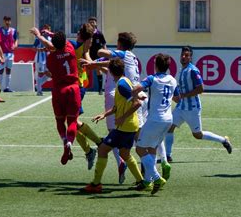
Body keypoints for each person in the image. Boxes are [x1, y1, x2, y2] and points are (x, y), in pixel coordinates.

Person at [82, 32, 141, 184]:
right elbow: (106, 67)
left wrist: (93, 52)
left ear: (121, 44)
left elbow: (102, 55)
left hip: (117, 95)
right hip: (132, 95)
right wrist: (93, 62)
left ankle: (118, 165)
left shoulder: (122, 55)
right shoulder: (131, 59)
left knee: (111, 138)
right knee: (138, 140)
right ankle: (147, 173)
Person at [165, 46, 232, 165]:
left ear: (190, 57)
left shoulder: (193, 70)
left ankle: (223, 140)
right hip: (181, 107)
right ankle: (168, 156)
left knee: (198, 135)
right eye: (183, 55)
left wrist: (184, 96)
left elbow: (201, 89)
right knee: (169, 128)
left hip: (192, 108)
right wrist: (177, 97)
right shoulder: (182, 69)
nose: (184, 57)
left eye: (187, 55)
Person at [29, 28, 80, 165]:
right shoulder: (70, 48)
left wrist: (39, 35)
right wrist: (48, 34)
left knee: (59, 121)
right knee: (73, 121)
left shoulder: (51, 57)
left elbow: (50, 72)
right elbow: (53, 45)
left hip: (59, 91)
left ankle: (64, 140)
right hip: (73, 88)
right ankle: (70, 142)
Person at [133, 54, 179, 194]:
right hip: (167, 119)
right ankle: (148, 180)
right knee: (152, 148)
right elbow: (177, 98)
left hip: (154, 119)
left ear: (156, 65)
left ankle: (156, 177)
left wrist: (135, 96)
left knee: (140, 149)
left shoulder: (152, 78)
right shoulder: (172, 80)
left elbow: (136, 88)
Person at [69, 23, 102, 170]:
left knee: (71, 122)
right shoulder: (83, 48)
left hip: (78, 87)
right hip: (78, 85)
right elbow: (88, 57)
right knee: (72, 122)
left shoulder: (77, 46)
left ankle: (96, 145)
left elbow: (55, 45)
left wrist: (41, 37)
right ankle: (92, 149)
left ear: (80, 36)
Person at [0, 16, 19, 92]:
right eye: (6, 20)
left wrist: (15, 45)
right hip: (2, 53)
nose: (7, 22)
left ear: (10, 21)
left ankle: (7, 87)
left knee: (8, 70)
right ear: (3, 21)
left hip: (10, 53)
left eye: (9, 20)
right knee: (0, 70)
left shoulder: (13, 30)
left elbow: (16, 39)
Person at [87, 16, 107, 95]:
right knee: (87, 70)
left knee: (99, 70)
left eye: (93, 22)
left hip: (98, 55)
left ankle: (100, 89)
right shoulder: (87, 33)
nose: (92, 23)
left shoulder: (99, 33)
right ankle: (84, 87)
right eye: (90, 22)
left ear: (96, 23)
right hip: (89, 54)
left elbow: (104, 44)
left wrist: (106, 53)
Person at [33, 24, 53, 96]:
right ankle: (39, 91)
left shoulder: (51, 39)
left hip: (48, 59)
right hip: (40, 58)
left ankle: (38, 85)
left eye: (48, 29)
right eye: (45, 29)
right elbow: (34, 48)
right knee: (40, 73)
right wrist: (39, 50)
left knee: (50, 74)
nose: (46, 31)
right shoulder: (38, 38)